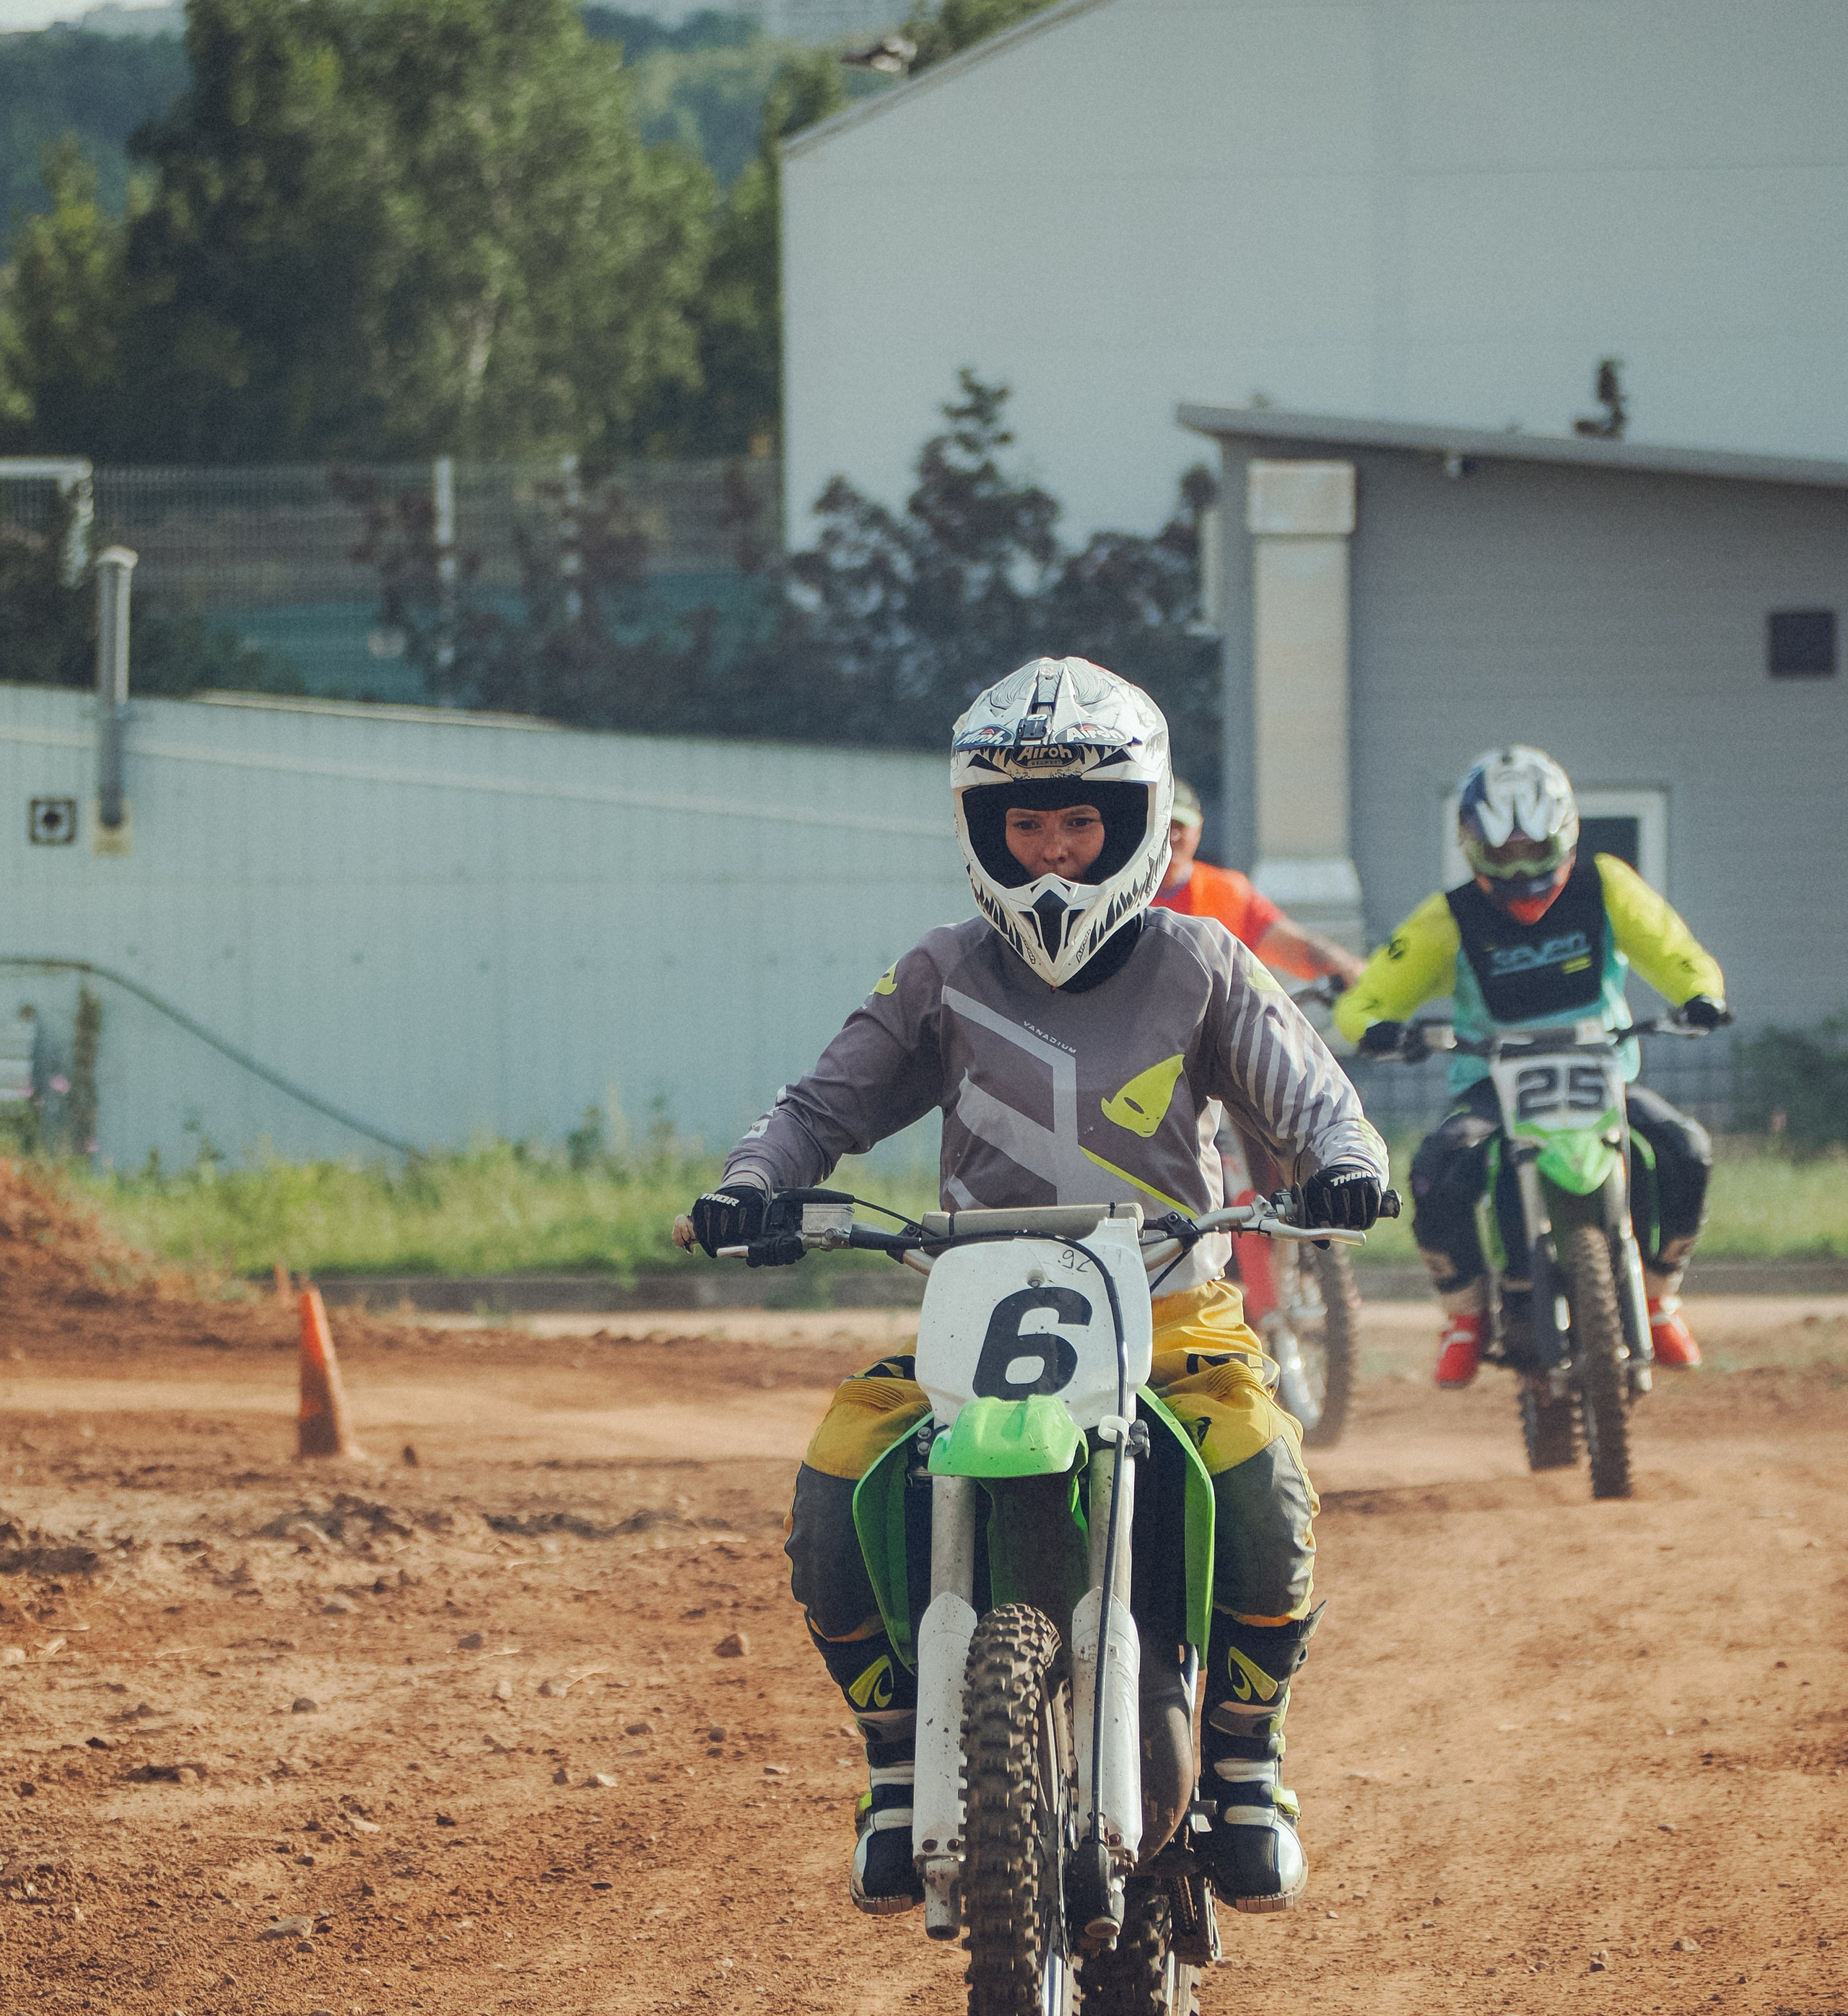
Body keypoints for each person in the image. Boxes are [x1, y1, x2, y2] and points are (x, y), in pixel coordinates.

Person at [676, 655, 1388, 1922]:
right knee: (838, 1483)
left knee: (1266, 1483)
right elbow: (816, 1108)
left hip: (1176, 1318)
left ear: (1136, 826)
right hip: (977, 1328)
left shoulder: (1203, 964)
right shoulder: (940, 974)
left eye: (1079, 821)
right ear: (982, 831)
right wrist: (753, 1182)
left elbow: (1314, 1097)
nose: (1054, 850)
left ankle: (1246, 1759)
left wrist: (1343, 1166)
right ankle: (898, 1763)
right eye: (1026, 823)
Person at [1333, 746, 1728, 1386]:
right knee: (1433, 1171)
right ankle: (1463, 1316)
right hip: (1492, 1078)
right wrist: (1379, 1029)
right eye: (1501, 854)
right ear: (1470, 845)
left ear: (1566, 832)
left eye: (1534, 849)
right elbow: (1367, 998)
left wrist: (1701, 997)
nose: (1521, 870)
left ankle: (1657, 1298)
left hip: (1601, 1071)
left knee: (1686, 1149)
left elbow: (1674, 949)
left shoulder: (1606, 885)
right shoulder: (1450, 915)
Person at [1155, 778, 1367, 989]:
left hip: (1211, 1017)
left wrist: (1347, 968)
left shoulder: (1227, 891)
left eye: (1181, 825)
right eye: (1165, 825)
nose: (1173, 835)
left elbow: (1293, 946)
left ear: (1198, 828)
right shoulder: (1127, 891)